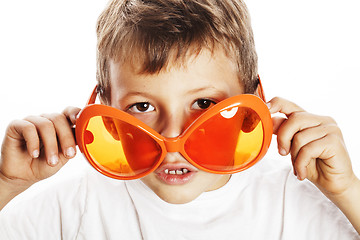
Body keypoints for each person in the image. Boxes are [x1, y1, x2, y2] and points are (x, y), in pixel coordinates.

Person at [0, 0, 359, 239]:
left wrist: (348, 192)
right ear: (106, 113)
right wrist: (7, 183)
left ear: (255, 105)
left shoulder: (292, 202)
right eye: (142, 106)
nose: (173, 136)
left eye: (203, 102)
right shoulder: (72, 209)